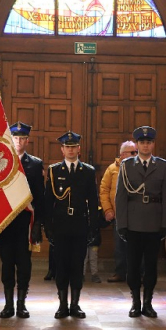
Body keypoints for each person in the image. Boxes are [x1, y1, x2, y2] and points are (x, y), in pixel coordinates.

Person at [115, 126, 166, 318]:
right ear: (137, 145)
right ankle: (135, 302)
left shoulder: (162, 165)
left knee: (150, 265)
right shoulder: (126, 165)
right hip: (132, 222)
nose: (145, 145)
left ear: (153, 144)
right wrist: (121, 224)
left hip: (154, 222)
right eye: (142, 142)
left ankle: (148, 302)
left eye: (148, 142)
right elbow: (121, 197)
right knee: (132, 265)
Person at [44, 131, 99, 319]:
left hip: (79, 225)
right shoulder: (54, 171)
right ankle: (62, 305)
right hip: (60, 226)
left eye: (73, 146)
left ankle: (75, 304)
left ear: (79, 149)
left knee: (77, 265)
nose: (70, 150)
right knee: (61, 265)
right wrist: (48, 227)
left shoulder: (88, 171)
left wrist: (94, 227)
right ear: (62, 150)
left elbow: (93, 200)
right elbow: (47, 202)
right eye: (67, 147)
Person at [0, 122, 44, 319]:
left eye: (22, 138)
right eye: (15, 138)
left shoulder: (35, 164)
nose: (18, 141)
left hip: (26, 221)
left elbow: (39, 197)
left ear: (27, 140)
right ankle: (8, 304)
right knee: (7, 263)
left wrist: (38, 225)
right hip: (6, 222)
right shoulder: (1, 161)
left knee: (24, 264)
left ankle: (21, 304)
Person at [99, 140, 137, 283]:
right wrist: (108, 209)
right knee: (120, 246)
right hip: (118, 215)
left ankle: (137, 273)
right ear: (122, 155)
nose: (135, 155)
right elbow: (104, 190)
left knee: (136, 246)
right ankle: (120, 272)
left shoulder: (140, 168)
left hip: (136, 215)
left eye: (136, 152)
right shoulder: (112, 169)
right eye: (132, 152)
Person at [83, 205, 110, 283]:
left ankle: (94, 274)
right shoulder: (81, 206)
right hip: (83, 237)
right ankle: (81, 274)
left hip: (94, 238)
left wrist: (109, 220)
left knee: (93, 257)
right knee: (83, 257)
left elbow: (101, 223)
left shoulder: (97, 209)